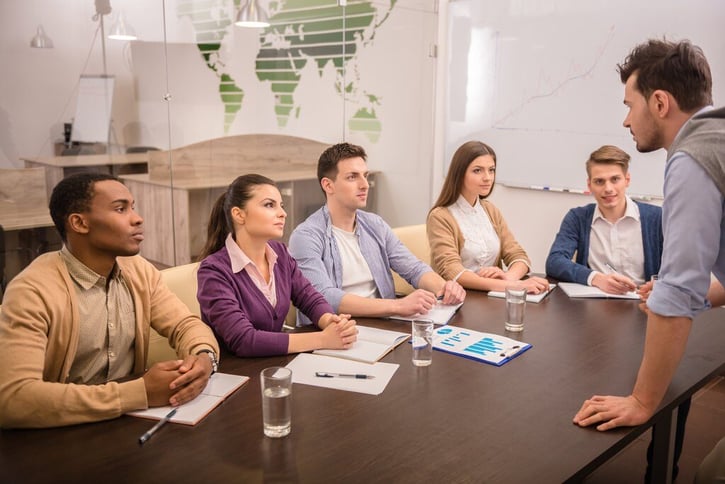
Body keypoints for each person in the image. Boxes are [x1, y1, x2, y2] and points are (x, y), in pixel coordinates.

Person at [571, 39, 725, 483]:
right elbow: (688, 288)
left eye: (629, 104)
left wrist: (641, 401)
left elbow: (676, 295)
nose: (625, 119)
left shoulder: (693, 155)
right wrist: (698, 294)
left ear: (659, 102)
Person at [0, 173, 220, 429]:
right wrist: (140, 393)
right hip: (61, 433)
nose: (137, 218)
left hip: (127, 423)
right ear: (80, 223)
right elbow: (14, 399)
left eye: (133, 207)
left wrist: (204, 358)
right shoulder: (32, 290)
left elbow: (185, 325)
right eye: (120, 209)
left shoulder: (139, 270)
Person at [288, 142, 465, 326]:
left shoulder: (375, 224)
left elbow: (414, 268)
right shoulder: (305, 236)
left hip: (381, 325)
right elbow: (325, 297)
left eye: (365, 176)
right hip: (335, 330)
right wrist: (396, 306)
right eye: (352, 177)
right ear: (328, 185)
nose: (364, 185)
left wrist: (445, 288)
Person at [196, 174, 358, 356]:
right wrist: (323, 339)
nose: (282, 213)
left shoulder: (280, 253)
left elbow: (308, 298)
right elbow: (244, 340)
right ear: (239, 215)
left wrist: (331, 322)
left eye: (281, 205)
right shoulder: (213, 272)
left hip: (276, 366)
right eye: (269, 205)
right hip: (238, 375)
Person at [427, 140, 549, 293]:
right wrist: (512, 286)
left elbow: (519, 256)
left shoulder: (490, 210)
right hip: (457, 299)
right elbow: (453, 272)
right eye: (478, 171)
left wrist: (509, 277)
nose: (488, 178)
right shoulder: (440, 216)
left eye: (491, 170)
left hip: (492, 296)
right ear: (459, 173)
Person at [546, 145, 663, 294]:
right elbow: (555, 261)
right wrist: (596, 278)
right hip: (596, 303)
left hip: (642, 303)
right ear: (590, 185)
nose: (608, 188)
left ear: (627, 180)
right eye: (599, 181)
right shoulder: (578, 218)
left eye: (615, 179)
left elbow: (679, 268)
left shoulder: (657, 218)